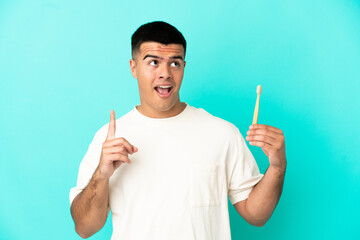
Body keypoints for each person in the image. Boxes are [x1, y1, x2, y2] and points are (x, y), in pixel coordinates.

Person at [69, 21, 287, 240]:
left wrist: (277, 167)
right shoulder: (109, 138)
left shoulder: (222, 133)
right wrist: (101, 174)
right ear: (133, 67)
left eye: (175, 63)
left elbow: (257, 216)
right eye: (153, 62)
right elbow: (84, 228)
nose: (165, 73)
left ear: (184, 67)